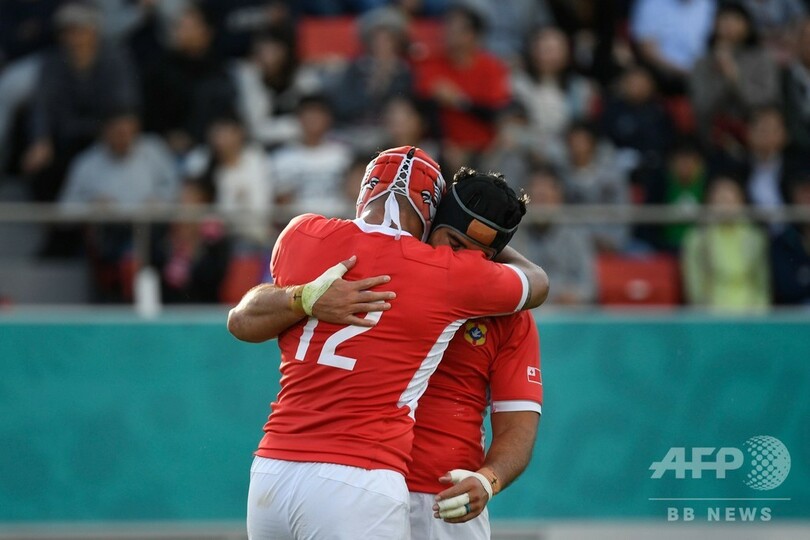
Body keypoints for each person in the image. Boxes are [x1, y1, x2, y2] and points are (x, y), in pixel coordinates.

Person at [228, 147, 549, 539]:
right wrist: (302, 297)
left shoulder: (305, 234)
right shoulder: (448, 275)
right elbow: (538, 282)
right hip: (365, 478)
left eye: (483, 255)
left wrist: (490, 479)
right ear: (431, 219)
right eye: (455, 241)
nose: (468, 259)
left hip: (430, 490)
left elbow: (519, 423)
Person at [24, 1, 140, 201]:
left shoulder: (116, 59)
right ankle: (56, 228)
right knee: (41, 167)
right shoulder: (53, 62)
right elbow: (42, 104)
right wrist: (40, 139)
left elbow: (124, 104)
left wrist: (113, 130)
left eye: (80, 31)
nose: (74, 39)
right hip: (65, 137)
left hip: (103, 135)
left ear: (94, 32)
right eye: (68, 32)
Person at [413, 4, 510, 172]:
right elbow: (423, 109)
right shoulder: (432, 64)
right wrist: (445, 144)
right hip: (442, 145)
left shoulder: (491, 67)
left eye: (457, 30)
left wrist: (459, 100)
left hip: (485, 146)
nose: (449, 34)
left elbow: (495, 112)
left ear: (474, 35)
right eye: (447, 28)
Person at [690, 2, 779, 146]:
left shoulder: (762, 58)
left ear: (748, 24)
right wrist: (722, 76)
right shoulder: (702, 63)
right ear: (715, 24)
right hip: (714, 137)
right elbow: (701, 107)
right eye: (724, 19)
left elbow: (766, 101)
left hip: (754, 136)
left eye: (736, 19)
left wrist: (734, 77)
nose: (729, 25)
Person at [682, 175, 771, 312]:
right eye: (721, 200)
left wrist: (759, 312)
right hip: (712, 313)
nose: (726, 207)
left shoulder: (755, 237)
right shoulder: (697, 239)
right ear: (710, 203)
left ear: (741, 203)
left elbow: (761, 284)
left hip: (751, 313)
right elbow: (695, 286)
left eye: (731, 200)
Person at [184, 113, 273, 248]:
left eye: (226, 132)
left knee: (242, 246)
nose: (220, 139)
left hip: (249, 234)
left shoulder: (255, 159)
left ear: (239, 134)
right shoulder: (202, 161)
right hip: (210, 235)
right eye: (217, 133)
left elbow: (260, 205)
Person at [514, 166, 596, 305]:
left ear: (559, 197)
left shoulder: (577, 234)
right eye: (536, 198)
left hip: (568, 315)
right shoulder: (513, 236)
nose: (540, 204)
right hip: (528, 313)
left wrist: (575, 296)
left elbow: (590, 288)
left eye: (544, 198)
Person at [269, 94, 352, 213]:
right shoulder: (282, 158)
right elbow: (279, 200)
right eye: (308, 115)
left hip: (337, 220)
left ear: (329, 119)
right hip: (297, 222)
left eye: (318, 115)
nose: (313, 120)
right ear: (298, 119)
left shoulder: (343, 155)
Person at [630, 0, 716, 94]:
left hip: (699, 73)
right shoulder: (651, 3)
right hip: (660, 72)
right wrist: (682, 71)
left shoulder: (708, 4)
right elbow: (647, 51)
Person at [770, 172, 810, 305]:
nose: (808, 199)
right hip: (793, 315)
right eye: (804, 192)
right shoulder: (783, 242)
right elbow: (786, 288)